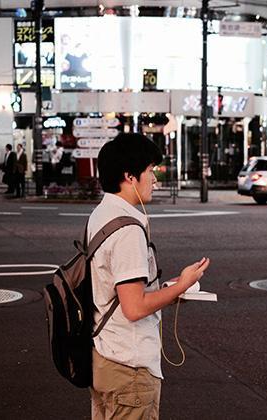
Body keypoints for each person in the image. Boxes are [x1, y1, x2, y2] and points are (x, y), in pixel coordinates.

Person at [88, 133, 210, 419]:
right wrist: (182, 285)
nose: (155, 179)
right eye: (150, 170)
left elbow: (116, 288)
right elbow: (134, 307)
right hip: (129, 367)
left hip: (105, 356)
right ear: (130, 176)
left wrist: (168, 289)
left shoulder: (101, 214)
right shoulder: (128, 229)